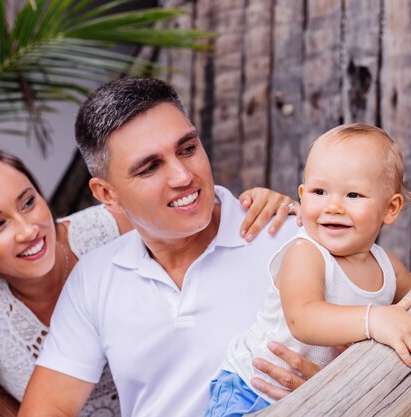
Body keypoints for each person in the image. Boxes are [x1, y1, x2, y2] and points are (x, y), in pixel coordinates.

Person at [0, 144, 298, 417]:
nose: (28, 229)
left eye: (28, 202)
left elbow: (196, 211)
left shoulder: (111, 228)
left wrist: (264, 206)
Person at [18, 78, 321, 417]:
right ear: (107, 195)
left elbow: (389, 311)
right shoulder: (94, 278)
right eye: (149, 167)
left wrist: (338, 383)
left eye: (187, 149)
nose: (182, 176)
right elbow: (48, 407)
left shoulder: (289, 237)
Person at [205, 124, 411, 417]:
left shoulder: (388, 268)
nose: (333, 206)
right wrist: (374, 319)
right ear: (302, 197)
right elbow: (302, 318)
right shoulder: (306, 252)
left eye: (353, 195)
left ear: (390, 209)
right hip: (252, 391)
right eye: (319, 191)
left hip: (319, 400)